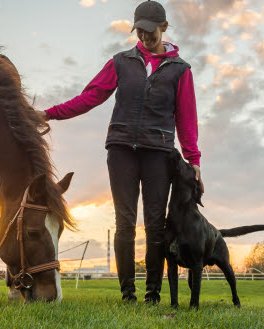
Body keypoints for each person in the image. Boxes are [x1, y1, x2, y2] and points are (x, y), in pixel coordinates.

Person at [37, 0, 203, 303]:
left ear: (164, 28)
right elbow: (90, 97)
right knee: (124, 222)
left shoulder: (181, 70)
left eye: (150, 32)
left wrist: (193, 160)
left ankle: (153, 294)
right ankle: (128, 294)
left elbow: (186, 119)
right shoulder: (121, 62)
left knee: (155, 223)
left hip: (159, 152)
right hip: (121, 150)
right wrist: (48, 114)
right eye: (139, 31)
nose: (143, 37)